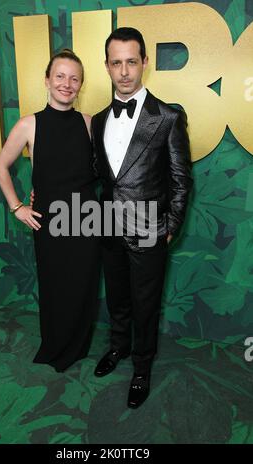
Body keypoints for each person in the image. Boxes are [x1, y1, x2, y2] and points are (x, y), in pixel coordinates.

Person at [91, 28, 193, 408]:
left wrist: (169, 228)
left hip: (150, 228)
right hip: (108, 226)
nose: (124, 72)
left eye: (131, 62)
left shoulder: (167, 117)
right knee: (118, 296)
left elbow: (182, 180)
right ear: (107, 66)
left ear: (144, 62)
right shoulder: (100, 119)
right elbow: (98, 173)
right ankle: (118, 347)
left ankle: (142, 367)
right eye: (116, 63)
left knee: (146, 303)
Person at [0, 50, 101, 372]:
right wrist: (18, 207)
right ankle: (55, 346)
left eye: (74, 78)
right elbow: (1, 165)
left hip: (86, 220)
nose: (66, 84)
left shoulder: (89, 124)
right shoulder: (29, 124)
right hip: (50, 223)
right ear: (47, 80)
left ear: (80, 84)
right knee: (56, 286)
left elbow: (101, 171)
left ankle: (78, 347)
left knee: (84, 286)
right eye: (60, 76)